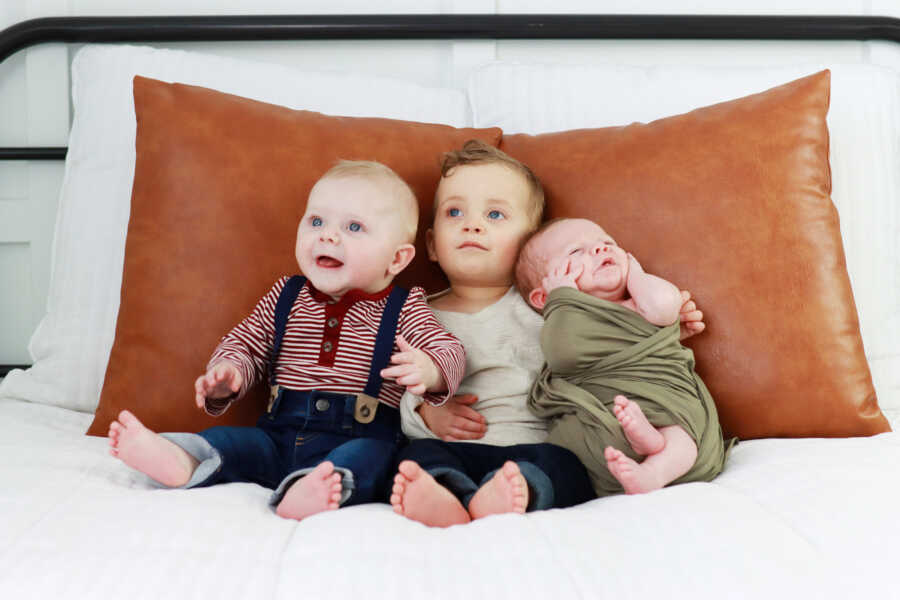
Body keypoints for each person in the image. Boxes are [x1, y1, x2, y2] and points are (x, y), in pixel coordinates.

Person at [107, 160, 465, 521]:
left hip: (358, 435)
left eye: (354, 227)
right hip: (276, 434)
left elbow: (449, 349)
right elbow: (245, 343)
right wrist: (228, 373)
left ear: (397, 259)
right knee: (230, 442)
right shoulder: (286, 296)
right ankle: (181, 459)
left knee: (374, 458)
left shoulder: (403, 308)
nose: (327, 236)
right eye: (316, 221)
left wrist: (430, 369)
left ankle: (314, 486)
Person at [389, 141, 706, 527]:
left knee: (566, 467)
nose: (473, 225)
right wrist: (425, 411)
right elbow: (394, 389)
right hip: (452, 446)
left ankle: (510, 494)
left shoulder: (554, 306)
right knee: (410, 460)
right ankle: (444, 492)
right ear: (431, 244)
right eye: (454, 212)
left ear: (529, 244)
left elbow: (609, 347)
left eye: (495, 214)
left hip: (536, 448)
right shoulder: (413, 314)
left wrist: (664, 327)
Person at [516, 217, 734, 496]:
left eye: (608, 243)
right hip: (605, 417)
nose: (599, 250)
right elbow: (564, 351)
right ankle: (644, 441)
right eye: (575, 251)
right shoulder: (564, 324)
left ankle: (653, 468)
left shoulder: (641, 305)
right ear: (545, 298)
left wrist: (635, 272)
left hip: (668, 403)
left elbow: (663, 306)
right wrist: (563, 298)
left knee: (683, 432)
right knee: (564, 446)